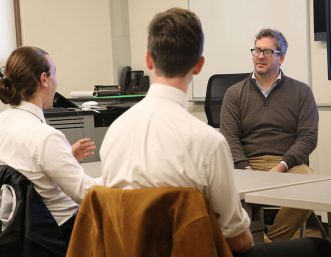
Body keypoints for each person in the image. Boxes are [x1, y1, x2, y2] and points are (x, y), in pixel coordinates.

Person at [99, 7, 253, 253]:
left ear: (149, 59)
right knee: (316, 248)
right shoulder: (208, 142)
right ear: (199, 65)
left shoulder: (115, 132)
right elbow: (237, 240)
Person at [0, 46, 99, 242]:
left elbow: (24, 171)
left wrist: (65, 157)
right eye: (55, 73)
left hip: (17, 232)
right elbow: (87, 194)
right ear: (44, 79)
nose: (56, 81)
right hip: (62, 232)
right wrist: (120, 176)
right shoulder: (45, 137)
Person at [220, 28, 319, 241]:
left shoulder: (301, 91)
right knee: (217, 189)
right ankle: (262, 246)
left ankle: (271, 244)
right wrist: (245, 169)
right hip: (246, 163)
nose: (260, 56)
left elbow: (308, 137)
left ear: (281, 58)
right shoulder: (235, 93)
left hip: (287, 163)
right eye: (256, 51)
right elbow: (229, 137)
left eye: (267, 51)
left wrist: (282, 166)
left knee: (311, 186)